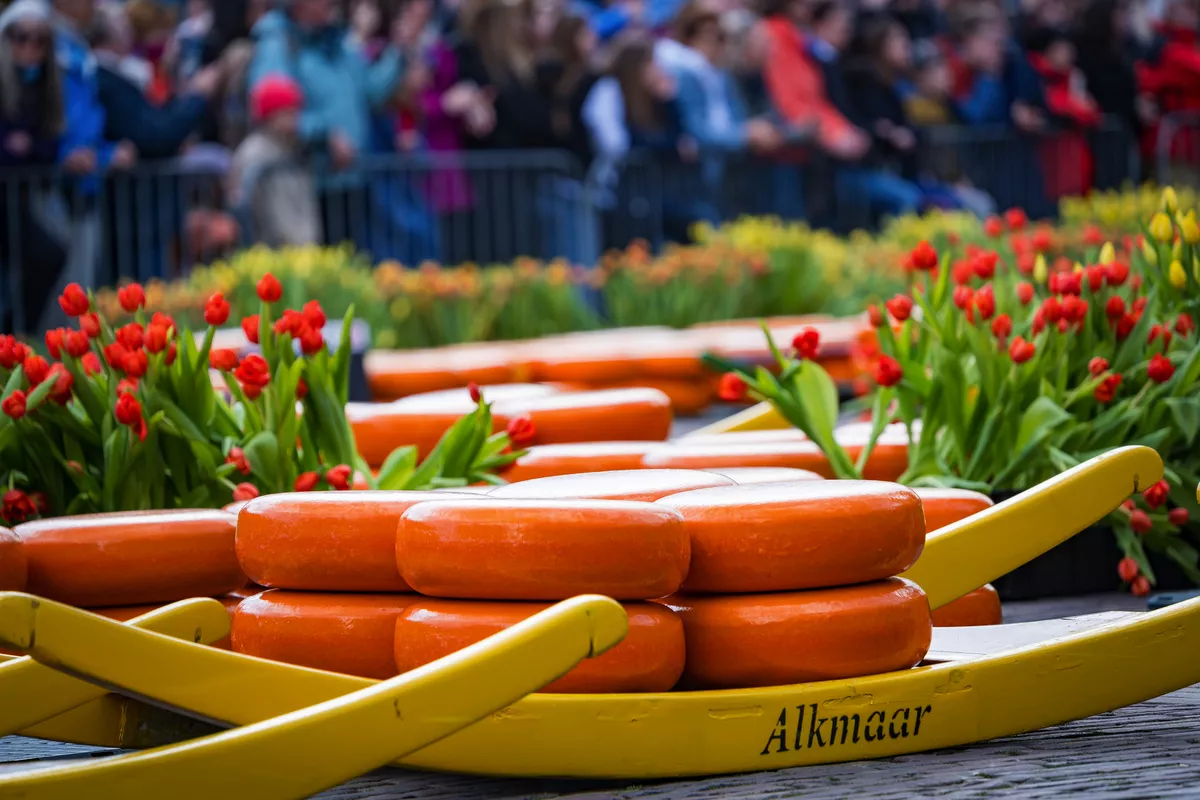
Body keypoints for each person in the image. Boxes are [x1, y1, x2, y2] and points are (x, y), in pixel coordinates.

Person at [0, 0, 68, 333]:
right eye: (22, 37)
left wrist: (24, 148)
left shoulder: (44, 87)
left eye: (40, 40)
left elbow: (48, 145)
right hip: (7, 197)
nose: (31, 47)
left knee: (49, 254)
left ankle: (14, 337)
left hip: (17, 203)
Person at [229, 73, 322, 246]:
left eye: (296, 111)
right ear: (271, 115)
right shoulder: (255, 153)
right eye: (288, 112)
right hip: (270, 249)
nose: (295, 119)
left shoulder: (292, 149)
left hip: (299, 248)